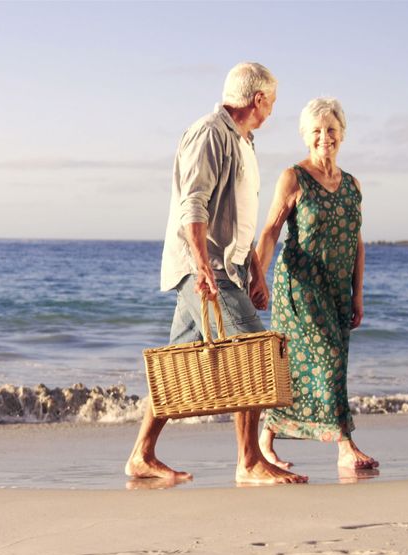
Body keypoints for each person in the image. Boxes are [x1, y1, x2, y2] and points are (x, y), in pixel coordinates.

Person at [125, 62, 307, 485]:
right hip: (203, 268)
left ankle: (140, 454)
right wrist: (203, 268)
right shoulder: (210, 133)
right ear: (258, 99)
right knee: (253, 350)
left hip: (228, 268)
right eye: (273, 101)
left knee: (177, 361)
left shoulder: (243, 141)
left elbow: (240, 221)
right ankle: (248, 461)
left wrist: (257, 272)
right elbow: (194, 203)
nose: (274, 109)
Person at [251, 97, 379, 473]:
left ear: (342, 134)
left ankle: (265, 439)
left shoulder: (353, 185)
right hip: (301, 285)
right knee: (326, 360)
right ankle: (344, 444)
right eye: (317, 131)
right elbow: (272, 230)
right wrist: (258, 276)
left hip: (337, 289)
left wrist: (358, 293)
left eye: (332, 130)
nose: (326, 137)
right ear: (306, 136)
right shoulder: (294, 177)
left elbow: (356, 241)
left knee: (309, 367)